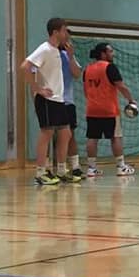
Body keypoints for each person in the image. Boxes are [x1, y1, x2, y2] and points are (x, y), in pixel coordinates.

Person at [21, 18, 81, 185]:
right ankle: (40, 172)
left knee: (65, 133)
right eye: (64, 30)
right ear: (55, 32)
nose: (66, 34)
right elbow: (25, 66)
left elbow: (76, 73)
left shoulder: (56, 51)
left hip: (59, 99)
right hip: (47, 99)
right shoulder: (45, 49)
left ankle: (61, 170)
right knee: (46, 133)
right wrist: (37, 88)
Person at [83, 42, 137, 177]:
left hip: (92, 110)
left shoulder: (87, 69)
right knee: (116, 137)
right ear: (103, 54)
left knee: (92, 138)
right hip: (109, 110)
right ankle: (121, 167)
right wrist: (131, 100)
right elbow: (121, 86)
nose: (113, 54)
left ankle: (91, 168)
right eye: (110, 51)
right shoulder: (110, 67)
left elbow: (86, 91)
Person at [59, 35, 83, 177]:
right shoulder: (48, 53)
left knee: (70, 134)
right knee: (50, 134)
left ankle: (75, 166)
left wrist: (71, 56)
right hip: (53, 100)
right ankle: (53, 167)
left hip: (68, 101)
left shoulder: (67, 56)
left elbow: (77, 74)